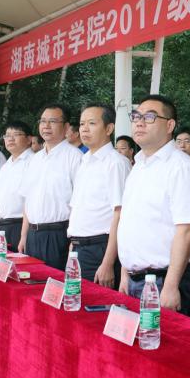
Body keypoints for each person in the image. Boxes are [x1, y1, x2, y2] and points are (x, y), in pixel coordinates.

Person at [118, 94, 190, 316]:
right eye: (136, 116)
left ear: (169, 125)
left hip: (164, 281)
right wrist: (125, 274)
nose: (139, 122)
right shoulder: (138, 166)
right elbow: (131, 222)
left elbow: (186, 230)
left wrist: (171, 286)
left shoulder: (182, 168)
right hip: (134, 279)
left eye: (149, 117)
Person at [68, 104, 130, 285]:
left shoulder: (116, 163)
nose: (84, 129)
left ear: (109, 128)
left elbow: (120, 213)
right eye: (82, 124)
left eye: (92, 123)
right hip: (78, 248)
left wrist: (108, 263)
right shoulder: (84, 161)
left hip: (100, 249)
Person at [17, 104, 83, 270]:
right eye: (43, 121)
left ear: (66, 127)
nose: (46, 126)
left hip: (59, 235)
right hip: (32, 234)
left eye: (52, 121)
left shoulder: (75, 157)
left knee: (54, 282)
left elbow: (80, 202)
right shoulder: (34, 159)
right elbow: (27, 200)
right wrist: (24, 236)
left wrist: (74, 240)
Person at [0, 121, 33, 249]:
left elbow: (31, 199)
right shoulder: (6, 165)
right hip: (2, 226)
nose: (10, 139)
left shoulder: (33, 162)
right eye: (7, 135)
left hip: (21, 225)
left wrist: (24, 235)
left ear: (29, 139)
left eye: (16, 134)